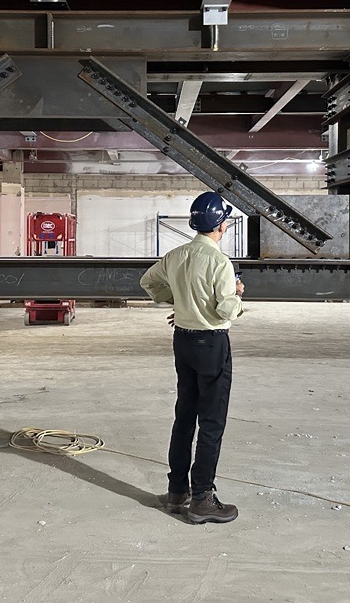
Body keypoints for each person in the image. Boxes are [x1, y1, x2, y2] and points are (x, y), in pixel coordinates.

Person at [140, 191, 244, 524]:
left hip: (182, 341)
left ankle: (176, 493)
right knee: (211, 423)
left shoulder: (177, 254)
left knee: (184, 416)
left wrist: (180, 303)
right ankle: (202, 498)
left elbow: (148, 282)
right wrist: (238, 295)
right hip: (211, 344)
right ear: (222, 226)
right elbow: (225, 308)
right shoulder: (219, 262)